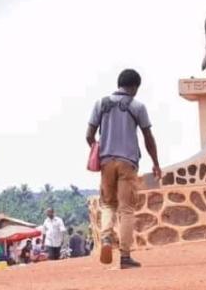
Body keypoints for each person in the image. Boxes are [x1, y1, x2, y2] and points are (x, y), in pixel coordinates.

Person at [86, 68, 161, 269]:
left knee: (108, 205)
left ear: (119, 84)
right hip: (128, 162)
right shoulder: (137, 106)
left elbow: (89, 135)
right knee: (126, 209)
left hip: (106, 162)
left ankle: (107, 239)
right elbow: (148, 138)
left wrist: (97, 150)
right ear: (135, 87)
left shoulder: (101, 104)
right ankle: (125, 257)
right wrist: (155, 162)